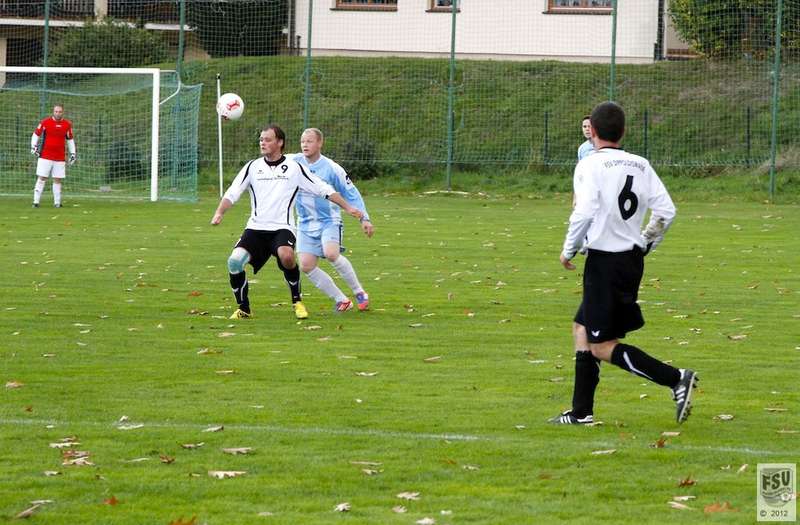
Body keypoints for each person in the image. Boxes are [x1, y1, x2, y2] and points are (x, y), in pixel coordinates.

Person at [551, 101, 697, 425]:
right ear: (624, 131)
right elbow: (666, 211)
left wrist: (568, 250)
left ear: (593, 131)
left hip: (605, 262)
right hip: (629, 260)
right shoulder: (640, 164)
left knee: (601, 345)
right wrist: (645, 243)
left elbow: (584, 211)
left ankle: (676, 378)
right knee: (582, 328)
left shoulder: (589, 165)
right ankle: (581, 412)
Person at [210, 124, 363, 320]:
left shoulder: (294, 168)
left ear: (280, 142)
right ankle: (244, 308)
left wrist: (348, 207)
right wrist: (219, 212)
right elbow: (233, 192)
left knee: (287, 256)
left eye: (268, 139)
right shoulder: (252, 167)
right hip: (256, 227)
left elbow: (322, 188)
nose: (262, 143)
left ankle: (297, 301)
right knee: (234, 261)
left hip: (283, 227)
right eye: (261, 139)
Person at [291, 128, 374, 312]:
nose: (305, 145)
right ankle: (342, 300)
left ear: (320, 143)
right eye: (302, 141)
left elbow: (351, 193)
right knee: (306, 265)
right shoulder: (293, 162)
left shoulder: (332, 168)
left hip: (329, 220)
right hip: (304, 223)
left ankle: (359, 292)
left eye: (309, 141)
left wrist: (364, 219)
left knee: (331, 254)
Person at [31, 104, 76, 208]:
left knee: (57, 179)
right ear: (53, 112)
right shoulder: (45, 122)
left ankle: (57, 203)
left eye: (60, 111)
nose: (58, 113)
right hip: (45, 156)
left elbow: (70, 139)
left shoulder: (67, 124)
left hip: (59, 157)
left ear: (63, 112)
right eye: (56, 111)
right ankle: (36, 202)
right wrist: (33, 146)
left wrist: (73, 153)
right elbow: (36, 134)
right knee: (42, 177)